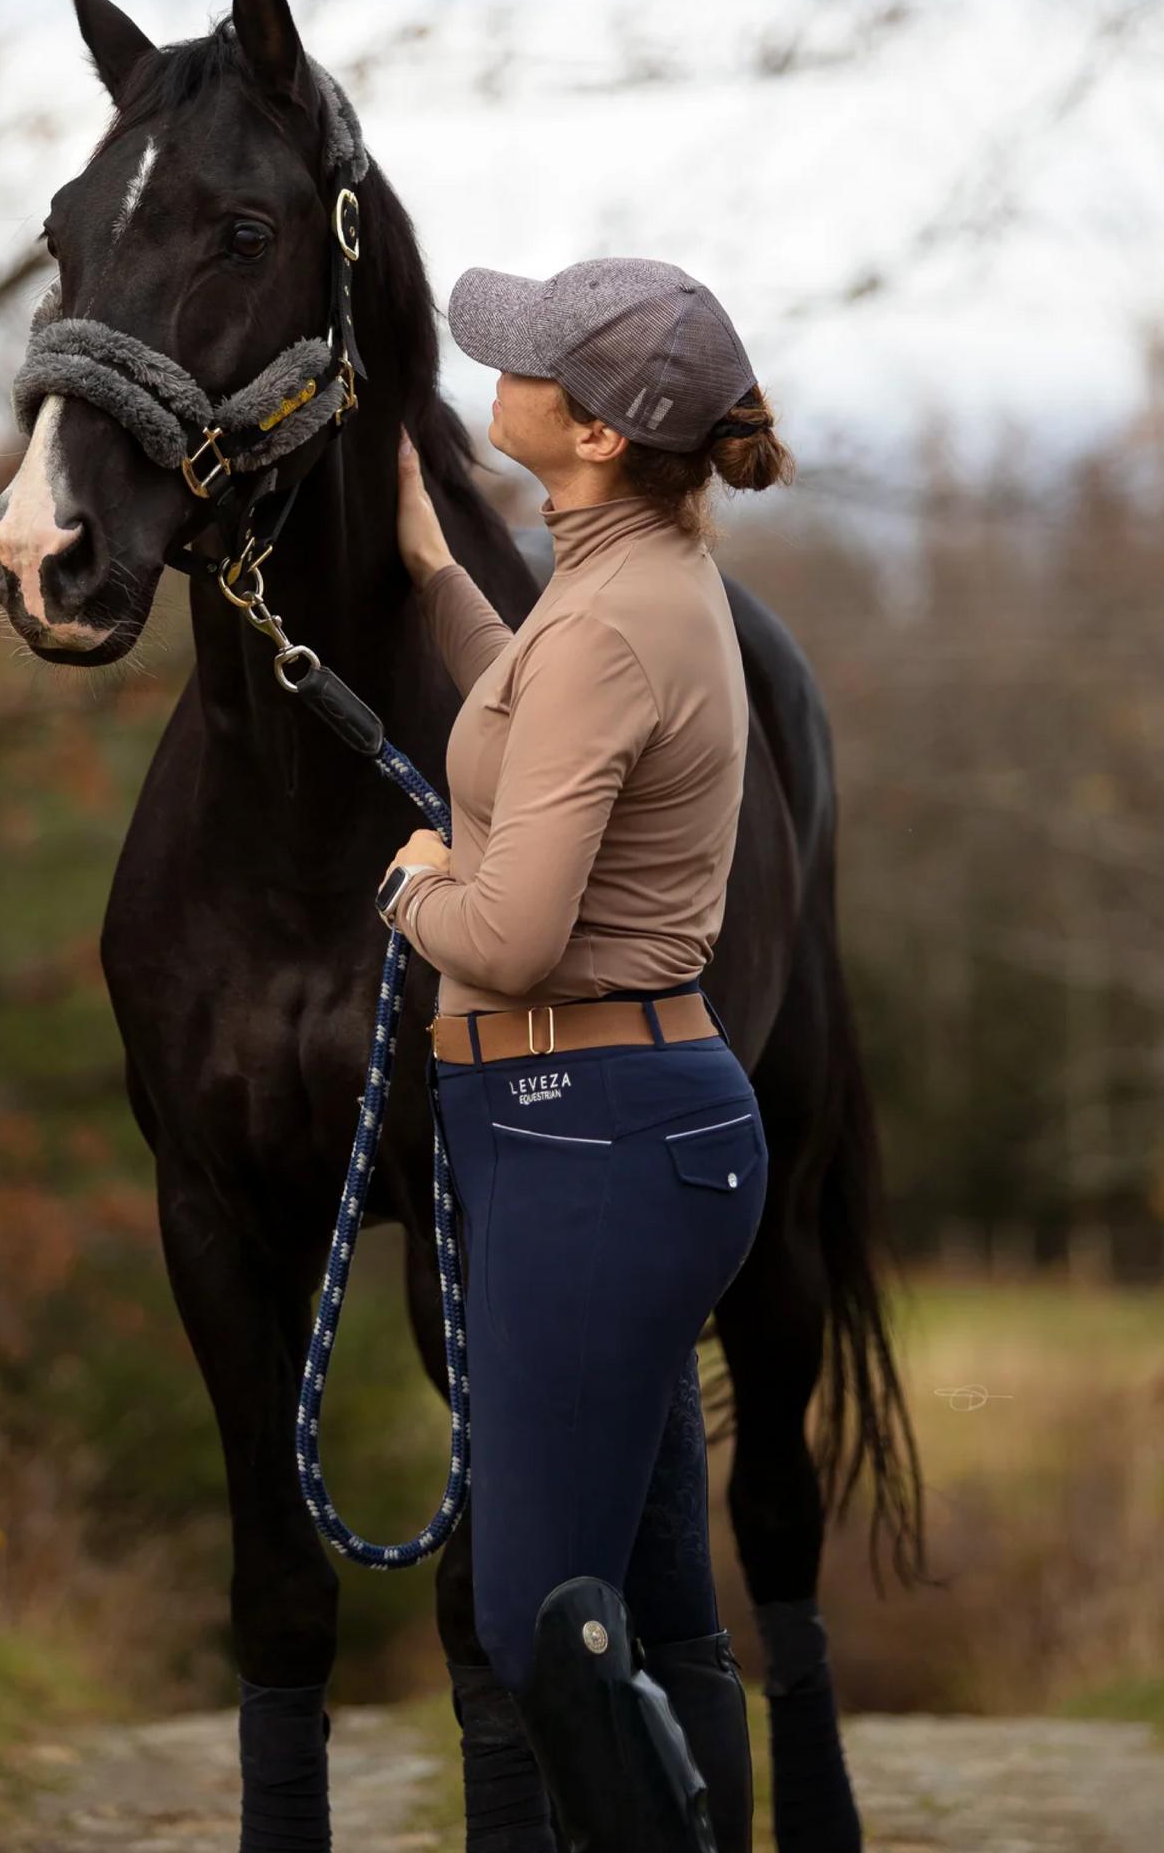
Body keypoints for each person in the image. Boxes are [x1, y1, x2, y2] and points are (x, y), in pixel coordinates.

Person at [379, 258, 794, 1853]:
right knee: (649, 1606)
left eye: (535, 358)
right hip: (605, 1134)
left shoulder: (616, 617)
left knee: (541, 1623)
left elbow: (510, 935)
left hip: (589, 1136)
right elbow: (534, 707)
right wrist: (432, 572)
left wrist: (414, 884)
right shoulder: (625, 579)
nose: (505, 365)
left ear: (602, 432)